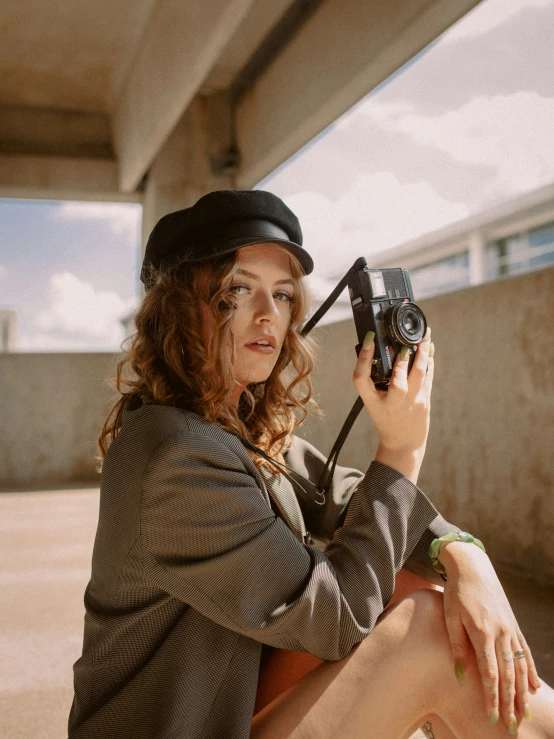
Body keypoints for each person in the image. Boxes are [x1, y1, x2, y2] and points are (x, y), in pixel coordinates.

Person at [68, 190, 554, 739]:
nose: (267, 314)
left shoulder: (229, 422)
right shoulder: (177, 455)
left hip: (225, 701)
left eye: (281, 294)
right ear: (180, 309)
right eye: (237, 289)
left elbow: (336, 493)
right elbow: (337, 617)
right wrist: (402, 450)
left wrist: (461, 554)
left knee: (430, 596)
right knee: (426, 632)